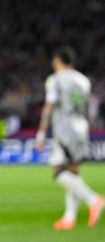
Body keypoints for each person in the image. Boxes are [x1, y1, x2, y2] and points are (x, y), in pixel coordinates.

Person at [35, 48, 103, 230]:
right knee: (73, 173)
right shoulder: (84, 80)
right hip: (82, 127)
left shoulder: (56, 80)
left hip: (65, 129)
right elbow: (88, 108)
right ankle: (69, 218)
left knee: (58, 172)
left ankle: (93, 200)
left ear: (58, 61)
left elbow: (49, 107)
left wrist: (41, 133)